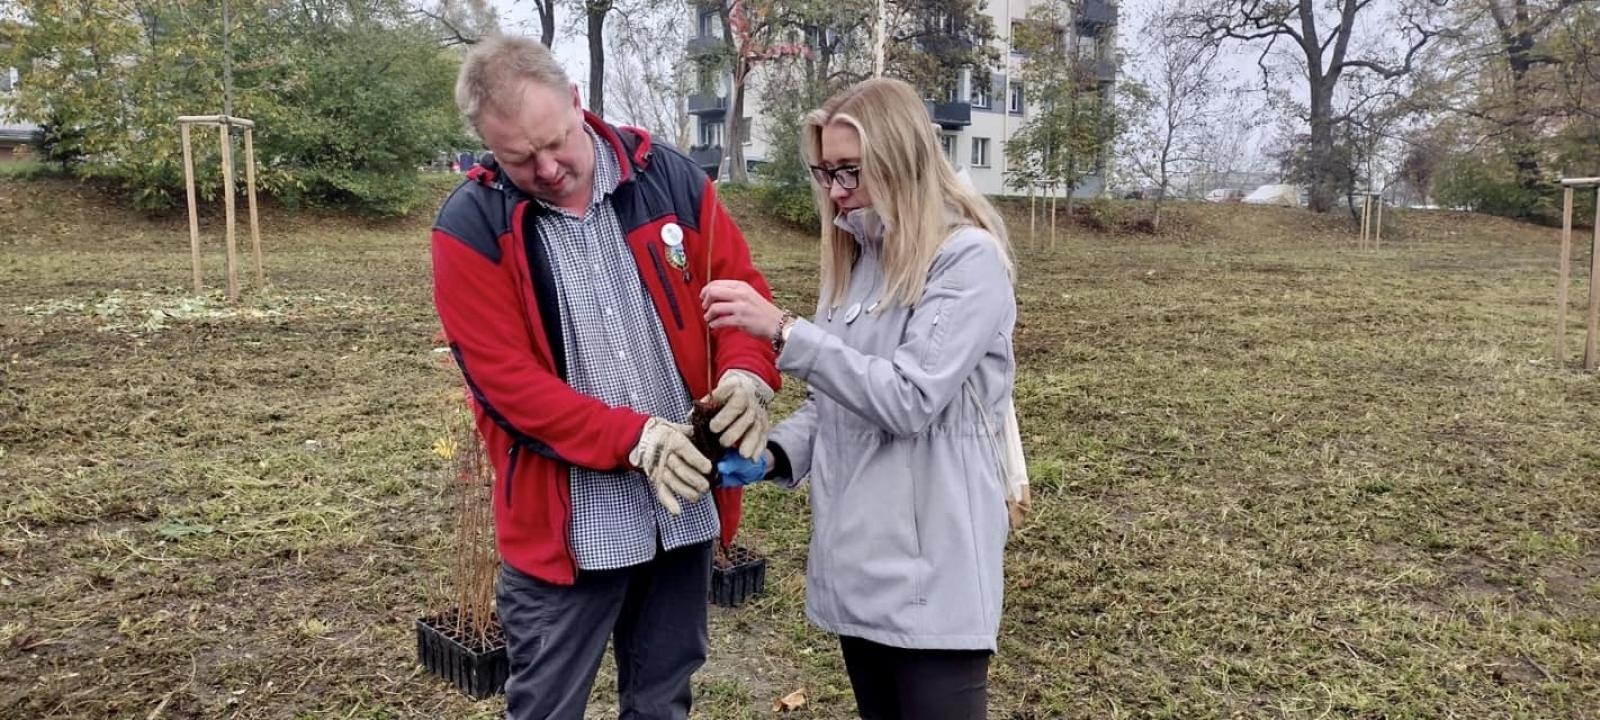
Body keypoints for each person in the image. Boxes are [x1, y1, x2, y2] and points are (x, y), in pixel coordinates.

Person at [429, 35, 781, 720]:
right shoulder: (471, 226)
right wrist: (636, 438)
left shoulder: (670, 180)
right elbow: (508, 386)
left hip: (680, 516)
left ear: (576, 102)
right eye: (519, 158)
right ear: (488, 149)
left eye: (556, 141)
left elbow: (737, 293)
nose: (549, 166)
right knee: (546, 707)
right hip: (570, 528)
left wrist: (745, 376)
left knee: (661, 701)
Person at [702, 77, 1017, 719]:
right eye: (825, 172)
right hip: (859, 564)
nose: (837, 190)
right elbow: (832, 402)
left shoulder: (966, 261)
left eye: (851, 170)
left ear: (900, 158)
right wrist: (771, 456)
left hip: (934, 571)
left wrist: (786, 331)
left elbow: (907, 398)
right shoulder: (857, 261)